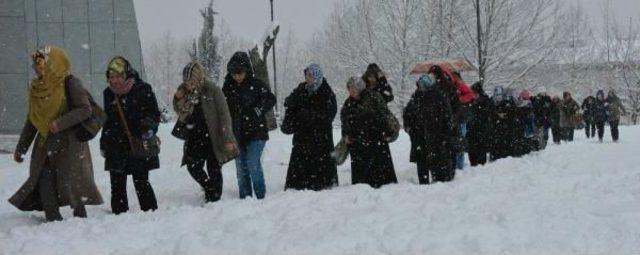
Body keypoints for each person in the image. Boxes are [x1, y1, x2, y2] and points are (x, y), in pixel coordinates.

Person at [10, 46, 103, 222]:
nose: (35, 68)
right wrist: (21, 148)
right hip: (45, 143)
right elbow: (32, 120)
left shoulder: (70, 82)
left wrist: (60, 123)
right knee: (42, 177)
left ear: (53, 63)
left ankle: (80, 217)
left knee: (73, 182)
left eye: (39, 63)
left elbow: (85, 109)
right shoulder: (37, 87)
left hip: (70, 144)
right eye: (35, 64)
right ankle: (53, 218)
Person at [101, 56, 160, 214]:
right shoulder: (108, 93)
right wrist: (103, 143)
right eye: (111, 77)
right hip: (115, 144)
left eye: (118, 77)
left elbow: (154, 114)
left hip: (137, 142)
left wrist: (148, 127)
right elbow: (107, 120)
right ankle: (119, 216)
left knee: (141, 181)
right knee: (117, 183)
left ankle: (151, 214)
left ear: (126, 74)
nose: (115, 81)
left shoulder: (143, 89)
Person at [173, 62, 239, 203]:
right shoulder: (185, 91)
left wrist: (228, 138)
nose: (188, 84)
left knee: (214, 167)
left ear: (198, 78)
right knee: (192, 166)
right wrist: (178, 98)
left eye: (191, 81)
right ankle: (209, 188)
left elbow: (224, 115)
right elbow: (179, 111)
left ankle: (215, 198)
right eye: (185, 81)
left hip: (213, 136)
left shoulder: (212, 90)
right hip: (194, 137)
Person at [222, 51, 276, 199]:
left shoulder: (257, 84)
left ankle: (260, 196)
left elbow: (271, 99)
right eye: (233, 73)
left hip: (257, 132)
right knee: (241, 168)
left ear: (246, 70)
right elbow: (222, 109)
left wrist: (258, 109)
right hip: (237, 133)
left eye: (240, 72)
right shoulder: (227, 88)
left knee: (252, 163)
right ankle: (245, 198)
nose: (237, 76)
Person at [281, 64, 338, 191]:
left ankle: (322, 185)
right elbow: (292, 107)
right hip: (302, 138)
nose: (308, 78)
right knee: (299, 176)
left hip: (320, 139)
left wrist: (312, 115)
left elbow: (329, 114)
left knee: (321, 176)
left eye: (310, 75)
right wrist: (290, 118)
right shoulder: (301, 90)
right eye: (307, 75)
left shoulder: (326, 92)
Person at [341, 77, 398, 188]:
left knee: (382, 181)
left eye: (354, 87)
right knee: (361, 182)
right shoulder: (347, 104)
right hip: (358, 146)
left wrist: (389, 132)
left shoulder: (373, 97)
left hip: (376, 142)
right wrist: (346, 136)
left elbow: (385, 114)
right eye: (349, 88)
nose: (351, 90)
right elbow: (345, 123)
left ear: (360, 87)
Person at [404, 74, 456, 183]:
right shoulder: (416, 97)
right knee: (422, 161)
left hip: (436, 135)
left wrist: (446, 131)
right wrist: (409, 128)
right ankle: (424, 183)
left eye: (423, 85)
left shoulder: (438, 96)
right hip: (420, 135)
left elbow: (447, 115)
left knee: (437, 160)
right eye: (420, 85)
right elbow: (407, 114)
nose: (421, 87)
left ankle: (439, 181)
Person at [466, 82, 493, 166]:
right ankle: (477, 164)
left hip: (478, 129)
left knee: (478, 149)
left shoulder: (482, 101)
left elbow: (483, 115)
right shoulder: (477, 101)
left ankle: (478, 164)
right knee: (476, 149)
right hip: (476, 129)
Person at [489, 86, 518, 161]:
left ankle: (507, 156)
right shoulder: (491, 103)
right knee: (496, 143)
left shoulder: (507, 103)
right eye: (497, 95)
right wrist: (496, 115)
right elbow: (489, 114)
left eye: (500, 95)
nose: (499, 97)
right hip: (495, 128)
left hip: (506, 128)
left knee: (506, 142)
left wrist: (506, 115)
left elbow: (513, 113)